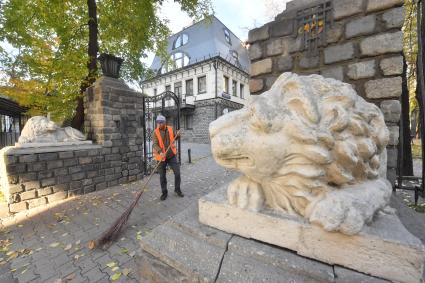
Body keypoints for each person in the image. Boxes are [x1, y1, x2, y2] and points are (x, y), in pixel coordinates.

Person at [152, 114, 184, 201]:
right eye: (158, 122)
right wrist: (160, 152)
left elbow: (175, 138)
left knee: (177, 173)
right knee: (162, 176)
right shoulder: (155, 132)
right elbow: (154, 144)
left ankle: (177, 189)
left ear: (164, 122)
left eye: (161, 122)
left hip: (171, 155)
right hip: (161, 157)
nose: (159, 124)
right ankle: (164, 192)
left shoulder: (170, 128)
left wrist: (178, 135)